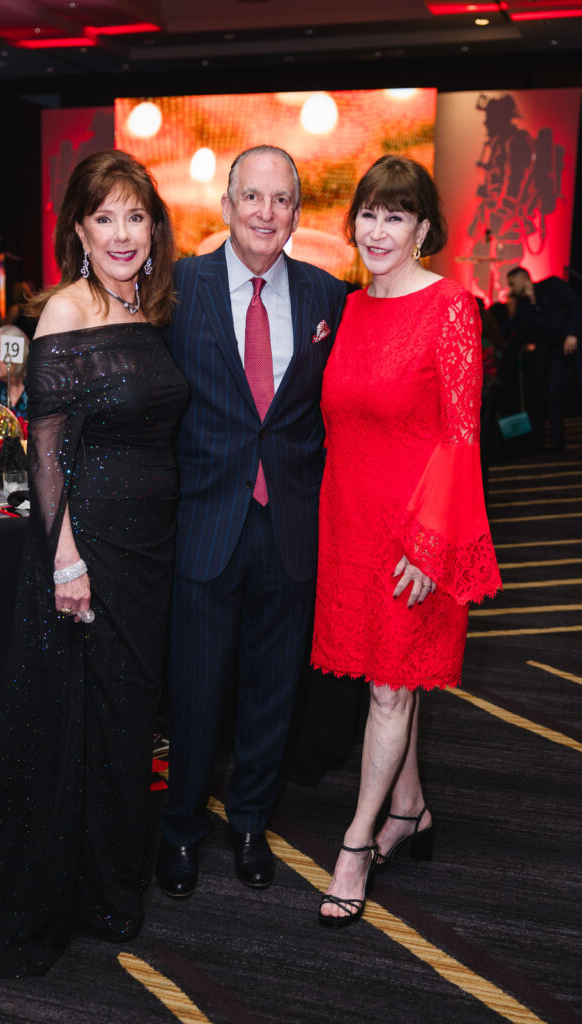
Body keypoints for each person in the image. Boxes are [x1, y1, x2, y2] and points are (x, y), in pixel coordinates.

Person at [0, 149, 188, 976]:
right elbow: (46, 449)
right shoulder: (65, 309)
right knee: (81, 715)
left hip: (149, 543)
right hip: (89, 541)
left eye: (136, 215)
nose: (123, 232)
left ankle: (109, 875)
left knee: (129, 717)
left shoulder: (153, 306)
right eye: (106, 217)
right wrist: (64, 559)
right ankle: (79, 886)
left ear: (152, 226)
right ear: (79, 229)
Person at [311, 155, 501, 927]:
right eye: (368, 213)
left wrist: (429, 544)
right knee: (385, 676)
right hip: (348, 523)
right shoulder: (350, 309)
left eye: (396, 215)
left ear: (423, 228)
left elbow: (461, 437)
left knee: (391, 685)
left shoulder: (450, 306)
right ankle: (409, 808)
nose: (378, 229)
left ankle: (356, 844)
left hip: (413, 530)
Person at [156, 145, 347, 898]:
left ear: (296, 212)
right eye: (252, 198)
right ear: (227, 207)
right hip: (206, 523)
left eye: (281, 199)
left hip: (291, 528)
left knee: (273, 692)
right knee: (197, 691)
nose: (266, 212)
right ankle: (178, 831)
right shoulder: (181, 289)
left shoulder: (327, 296)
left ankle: (248, 823)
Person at [504, 266, 582, 452]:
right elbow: (510, 328)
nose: (511, 288)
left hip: (577, 343)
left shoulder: (551, 285)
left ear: (523, 277)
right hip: (558, 352)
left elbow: (576, 304)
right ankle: (557, 444)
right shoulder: (524, 307)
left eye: (512, 283)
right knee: (554, 394)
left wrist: (573, 333)